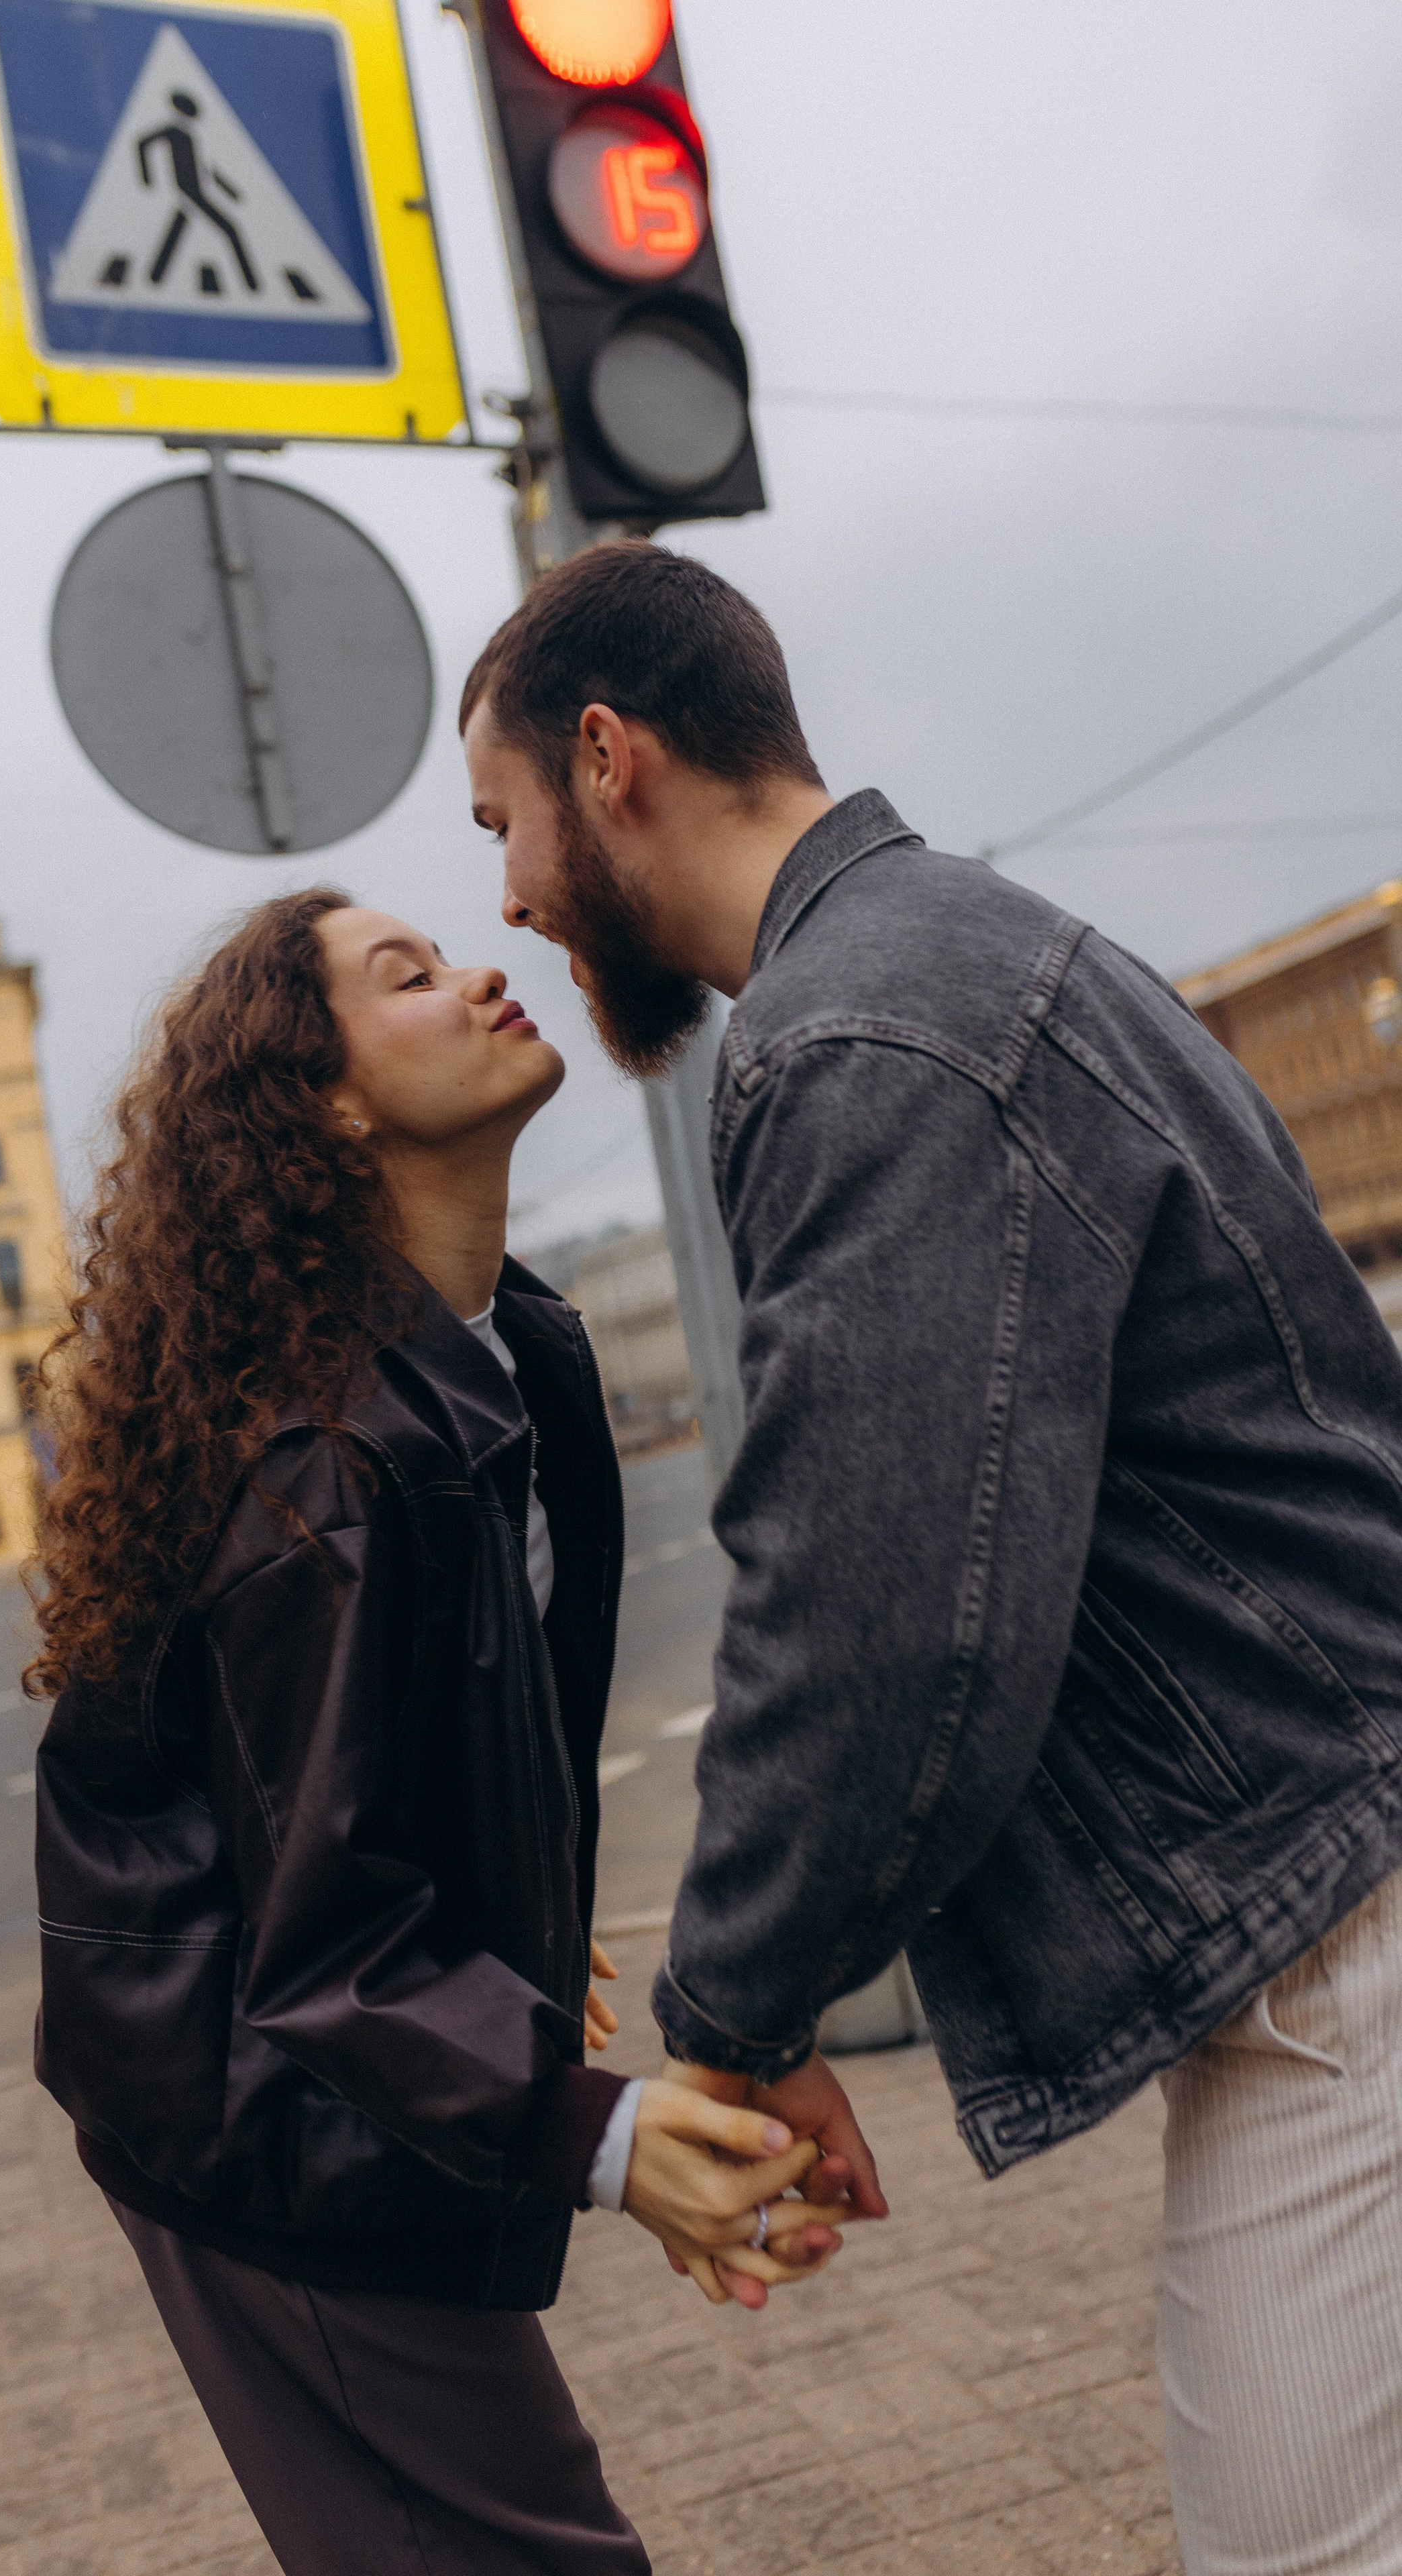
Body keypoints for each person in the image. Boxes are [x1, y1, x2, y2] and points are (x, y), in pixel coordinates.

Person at [461, 543, 1402, 2574]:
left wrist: (734, 2019)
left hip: (1344, 1938)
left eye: (500, 824)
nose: (510, 899)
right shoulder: (978, 947)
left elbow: (875, 1619)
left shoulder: (865, 1038)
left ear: (608, 759)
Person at [23, 890, 854, 2576]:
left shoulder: (513, 1353)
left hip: (351, 2079)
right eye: (405, 978)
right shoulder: (322, 1468)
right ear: (326, 1105)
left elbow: (420, 1751)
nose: (482, 974)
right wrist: (604, 2140)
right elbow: (325, 1938)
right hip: (256, 2116)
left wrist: (511, 1929)